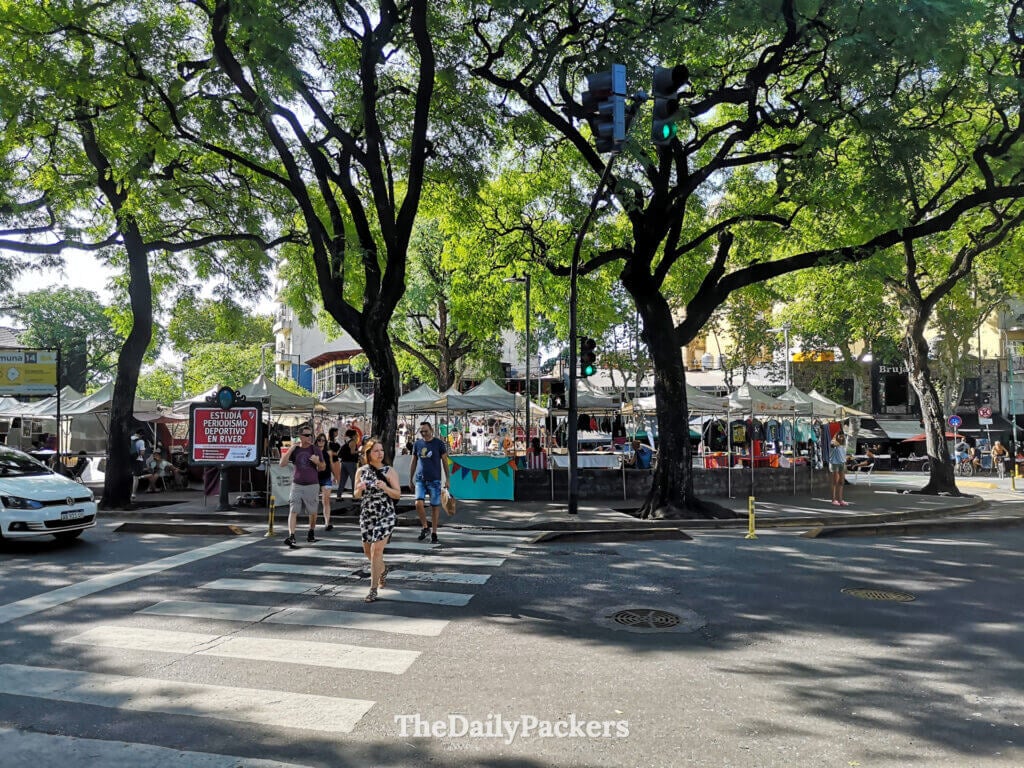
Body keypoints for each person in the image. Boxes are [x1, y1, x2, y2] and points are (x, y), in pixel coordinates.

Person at [353, 437, 401, 603]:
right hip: (367, 514)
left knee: (376, 551)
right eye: (376, 451)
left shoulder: (389, 471)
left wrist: (385, 487)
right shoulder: (361, 471)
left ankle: (373, 589)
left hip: (385, 513)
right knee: (368, 551)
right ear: (368, 453)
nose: (380, 454)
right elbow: (356, 495)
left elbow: (397, 494)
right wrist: (359, 489)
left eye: (381, 450)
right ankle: (383, 569)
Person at [279, 427, 326, 547]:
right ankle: (292, 536)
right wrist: (290, 450)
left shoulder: (315, 449)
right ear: (300, 436)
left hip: (312, 484)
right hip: (297, 484)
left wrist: (317, 462)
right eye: (307, 435)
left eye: (311, 435)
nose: (310, 437)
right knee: (293, 510)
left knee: (313, 512)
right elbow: (282, 464)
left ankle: (311, 531)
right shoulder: (295, 449)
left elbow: (323, 468)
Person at [409, 421, 449, 544]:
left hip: (435, 480)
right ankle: (425, 527)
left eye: (426, 431)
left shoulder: (439, 443)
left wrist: (448, 479)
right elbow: (414, 461)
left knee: (435, 507)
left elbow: (445, 461)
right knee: (418, 503)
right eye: (421, 431)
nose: (424, 433)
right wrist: (410, 479)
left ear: (431, 430)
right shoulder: (418, 444)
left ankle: (434, 532)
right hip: (420, 479)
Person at [314, 433, 335, 531]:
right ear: (316, 441)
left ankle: (327, 523)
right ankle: (312, 523)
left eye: (323, 440)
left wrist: (334, 476)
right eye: (319, 440)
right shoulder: (313, 451)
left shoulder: (328, 452)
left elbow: (331, 464)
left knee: (326, 500)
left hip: (326, 477)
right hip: (314, 478)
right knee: (313, 500)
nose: (321, 442)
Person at [337, 428, 360, 497]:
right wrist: (360, 451)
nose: (357, 435)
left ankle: (339, 495)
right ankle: (354, 495)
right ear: (353, 436)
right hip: (351, 463)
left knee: (343, 480)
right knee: (354, 479)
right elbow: (352, 452)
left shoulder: (348, 442)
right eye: (356, 434)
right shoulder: (353, 442)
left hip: (344, 462)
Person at [829, 431, 849, 506]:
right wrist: (836, 439)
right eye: (840, 436)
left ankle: (840, 500)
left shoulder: (844, 444)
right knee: (835, 482)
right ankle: (833, 500)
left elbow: (844, 453)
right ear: (837, 436)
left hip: (842, 463)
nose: (842, 437)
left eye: (843, 436)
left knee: (841, 482)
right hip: (835, 463)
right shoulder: (834, 442)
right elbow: (832, 444)